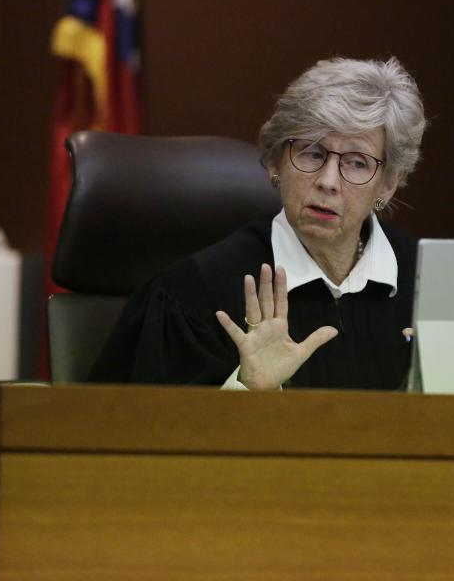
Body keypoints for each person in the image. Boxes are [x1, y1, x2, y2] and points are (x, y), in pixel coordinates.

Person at [88, 56, 427, 390]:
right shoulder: (195, 295)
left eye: (356, 162)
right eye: (312, 153)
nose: (328, 181)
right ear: (276, 162)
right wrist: (246, 391)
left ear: (387, 184)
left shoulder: (426, 282)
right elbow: (131, 432)